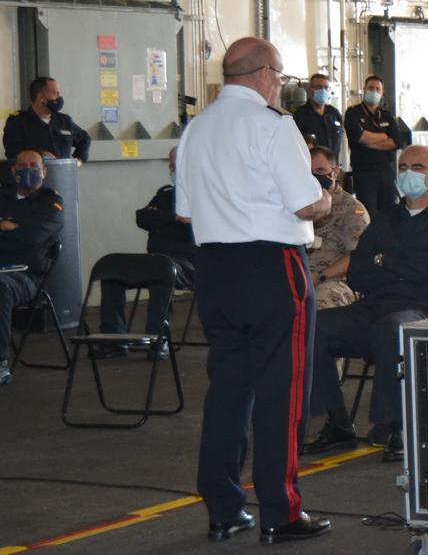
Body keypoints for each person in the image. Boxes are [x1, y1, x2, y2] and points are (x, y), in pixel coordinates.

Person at [176, 37, 333, 543]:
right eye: (281, 77)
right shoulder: (275, 126)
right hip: (271, 267)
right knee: (282, 394)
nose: (280, 86)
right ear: (265, 74)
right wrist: (326, 194)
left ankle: (223, 507)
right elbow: (305, 206)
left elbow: (184, 211)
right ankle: (280, 511)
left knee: (227, 391)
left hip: (215, 269)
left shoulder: (196, 129)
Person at [304, 145, 428, 463]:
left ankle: (397, 425)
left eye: (418, 167)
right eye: (403, 167)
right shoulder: (384, 219)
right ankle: (337, 421)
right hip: (376, 305)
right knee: (314, 327)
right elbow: (359, 274)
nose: (409, 174)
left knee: (393, 329)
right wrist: (395, 265)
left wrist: (385, 260)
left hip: (426, 311)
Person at [95, 148, 197, 358]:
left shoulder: (206, 196)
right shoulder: (165, 194)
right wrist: (176, 219)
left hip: (192, 262)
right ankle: (113, 340)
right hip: (158, 257)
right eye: (171, 167)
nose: (174, 170)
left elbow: (194, 227)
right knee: (112, 271)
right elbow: (142, 218)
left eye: (179, 166)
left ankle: (159, 339)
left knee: (163, 271)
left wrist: (163, 221)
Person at [0, 151, 65, 387]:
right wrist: (10, 229)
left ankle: (0, 364)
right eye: (22, 165)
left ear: (44, 172)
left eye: (34, 166)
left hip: (27, 278)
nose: (28, 170)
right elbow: (25, 234)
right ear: (13, 170)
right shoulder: (3, 196)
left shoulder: (50, 202)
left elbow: (35, 236)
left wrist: (8, 230)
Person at [309, 147, 369, 311]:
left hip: (335, 281)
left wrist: (320, 277)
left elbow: (357, 256)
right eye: (309, 172)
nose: (314, 177)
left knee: (319, 304)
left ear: (335, 171)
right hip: (300, 278)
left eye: (320, 170)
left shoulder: (352, 209)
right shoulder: (299, 207)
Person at [345, 75, 403, 218]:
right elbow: (359, 137)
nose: (374, 91)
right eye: (371, 88)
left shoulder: (387, 115)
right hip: (364, 173)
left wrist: (368, 141)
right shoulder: (353, 113)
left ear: (382, 93)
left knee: (389, 214)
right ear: (364, 90)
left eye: (378, 89)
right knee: (366, 214)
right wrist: (383, 137)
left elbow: (396, 142)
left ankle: (387, 241)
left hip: (386, 173)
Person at [3, 76, 90, 163]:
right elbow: (13, 153)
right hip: (32, 175)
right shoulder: (17, 121)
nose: (59, 97)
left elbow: (85, 139)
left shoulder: (64, 121)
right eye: (55, 93)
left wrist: (78, 161)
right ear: (41, 97)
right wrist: (40, 155)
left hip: (63, 175)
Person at [292, 74, 343, 158]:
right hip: (311, 167)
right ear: (310, 90)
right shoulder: (300, 116)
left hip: (333, 166)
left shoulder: (334, 113)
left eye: (326, 87)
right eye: (319, 87)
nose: (323, 91)